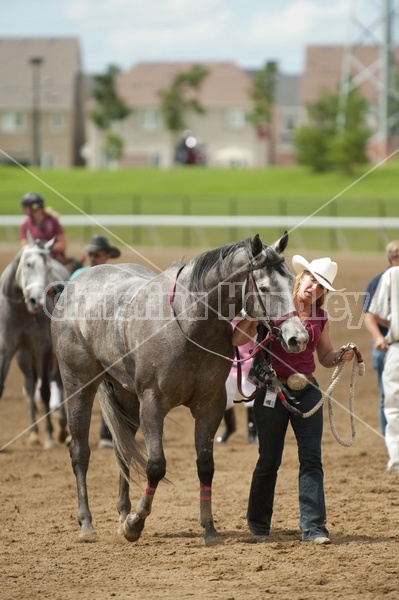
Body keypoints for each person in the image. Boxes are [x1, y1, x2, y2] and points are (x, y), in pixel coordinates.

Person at [233, 255, 354, 545]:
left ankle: (313, 528)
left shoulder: (320, 317)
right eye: (312, 280)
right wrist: (252, 314)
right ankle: (259, 525)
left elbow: (323, 356)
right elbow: (237, 340)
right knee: (268, 460)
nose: (315, 288)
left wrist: (339, 356)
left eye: (321, 286)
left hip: (307, 391)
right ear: (300, 278)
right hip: (273, 390)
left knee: (311, 460)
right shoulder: (272, 306)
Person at [70, 234, 121, 449]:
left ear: (107, 255)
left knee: (111, 386)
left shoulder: (115, 277)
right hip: (79, 339)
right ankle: (74, 432)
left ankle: (106, 434)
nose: (92, 257)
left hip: (104, 340)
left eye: (97, 254)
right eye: (90, 254)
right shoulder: (78, 275)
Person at [365, 261, 399, 474]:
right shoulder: (391, 275)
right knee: (392, 403)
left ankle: (396, 459)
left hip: (396, 345)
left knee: (393, 405)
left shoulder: (392, 275)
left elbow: (375, 313)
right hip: (395, 346)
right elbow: (373, 314)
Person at [217, 322, 257, 444]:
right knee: (226, 398)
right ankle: (230, 428)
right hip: (227, 363)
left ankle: (252, 433)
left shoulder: (250, 320)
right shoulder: (224, 321)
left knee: (250, 395)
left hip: (247, 362)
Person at [19, 192, 67, 262]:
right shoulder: (25, 225)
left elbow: (62, 246)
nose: (23, 209)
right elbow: (24, 246)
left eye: (25, 206)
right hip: (33, 261)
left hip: (54, 260)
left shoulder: (53, 222)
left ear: (34, 207)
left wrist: (45, 246)